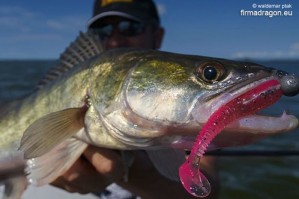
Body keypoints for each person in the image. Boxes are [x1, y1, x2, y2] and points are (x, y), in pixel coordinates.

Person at [51, 0, 219, 198]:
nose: (114, 40)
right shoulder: (69, 85)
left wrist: (130, 174)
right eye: (102, 30)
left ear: (157, 36)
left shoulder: (193, 108)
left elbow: (209, 190)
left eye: (129, 28)